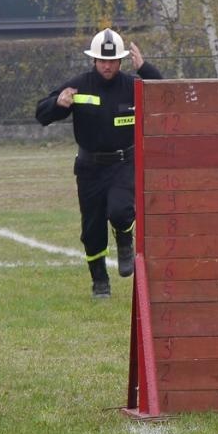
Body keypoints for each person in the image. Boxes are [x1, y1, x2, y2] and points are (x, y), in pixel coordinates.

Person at [35, 28, 162, 298]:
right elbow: (41, 113)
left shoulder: (133, 85)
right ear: (93, 60)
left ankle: (125, 239)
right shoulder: (78, 85)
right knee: (92, 229)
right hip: (89, 168)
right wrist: (58, 104)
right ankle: (100, 283)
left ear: (121, 61)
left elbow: (166, 97)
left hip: (123, 164)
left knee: (120, 210)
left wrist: (146, 69)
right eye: (102, 60)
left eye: (113, 60)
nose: (107, 65)